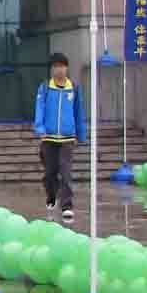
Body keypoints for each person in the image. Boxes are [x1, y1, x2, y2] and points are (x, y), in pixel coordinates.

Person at [34, 52, 86, 222]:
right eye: (56, 66)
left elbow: (79, 111)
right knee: (50, 173)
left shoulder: (74, 88)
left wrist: (80, 134)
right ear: (52, 69)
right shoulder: (45, 88)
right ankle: (51, 196)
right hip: (48, 137)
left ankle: (67, 205)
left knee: (65, 172)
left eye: (62, 66)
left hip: (67, 138)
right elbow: (39, 108)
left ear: (67, 68)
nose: (59, 70)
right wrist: (40, 128)